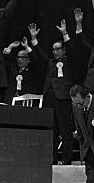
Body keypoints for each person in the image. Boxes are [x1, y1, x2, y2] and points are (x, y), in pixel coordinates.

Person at [32, 21, 77, 165]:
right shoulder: (50, 63)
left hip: (63, 98)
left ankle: (67, 158)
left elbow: (73, 48)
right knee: (51, 130)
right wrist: (34, 39)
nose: (55, 52)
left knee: (65, 130)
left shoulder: (70, 60)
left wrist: (64, 34)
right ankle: (52, 158)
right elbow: (39, 55)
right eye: (54, 49)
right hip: (49, 98)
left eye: (58, 49)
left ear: (63, 50)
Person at [2, 30, 42, 105]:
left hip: (27, 102)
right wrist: (10, 47)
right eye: (18, 57)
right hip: (12, 100)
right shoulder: (14, 69)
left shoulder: (32, 69)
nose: (19, 60)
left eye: (22, 57)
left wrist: (27, 47)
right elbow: (6, 61)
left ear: (28, 59)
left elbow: (36, 60)